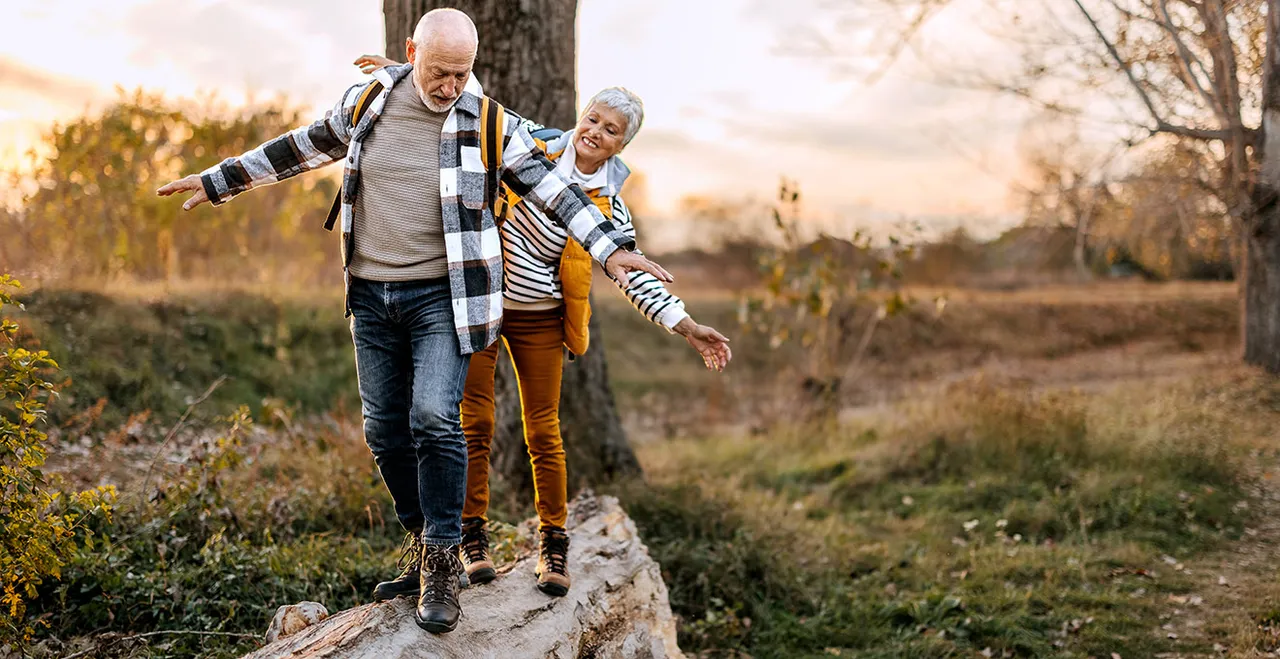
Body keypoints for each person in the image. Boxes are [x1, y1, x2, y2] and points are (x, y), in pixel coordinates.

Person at [156, 9, 672, 635]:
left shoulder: (486, 122)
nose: (450, 85)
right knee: (383, 431)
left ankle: (442, 564)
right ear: (409, 53)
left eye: (463, 73)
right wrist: (219, 181)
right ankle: (428, 540)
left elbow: (556, 191)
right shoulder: (368, 101)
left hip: (443, 296)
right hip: (370, 293)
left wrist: (612, 251)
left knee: (434, 417)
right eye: (438, 71)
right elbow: (303, 145)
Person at [354, 54, 732, 597]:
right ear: (582, 116)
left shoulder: (610, 207)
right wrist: (409, 67)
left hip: (542, 321)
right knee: (471, 425)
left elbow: (631, 273)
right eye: (594, 119)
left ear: (622, 145)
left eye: (611, 130)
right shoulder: (532, 146)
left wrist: (685, 323)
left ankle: (553, 544)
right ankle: (470, 538)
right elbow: (475, 100)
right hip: (483, 305)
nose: (595, 133)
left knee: (543, 433)